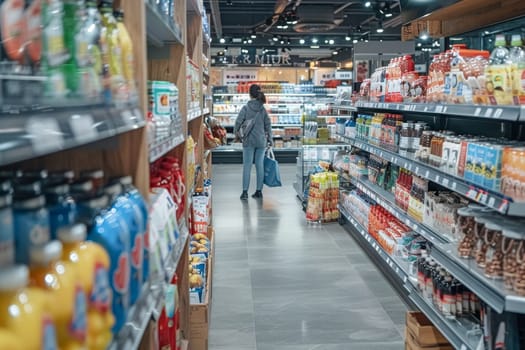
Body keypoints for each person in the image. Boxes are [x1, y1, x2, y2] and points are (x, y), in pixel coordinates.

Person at [234, 84, 273, 200]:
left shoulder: (246, 108)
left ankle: (245, 192)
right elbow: (268, 125)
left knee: (247, 166)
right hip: (261, 141)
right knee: (259, 165)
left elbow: (237, 123)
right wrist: (270, 139)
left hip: (248, 141)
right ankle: (259, 191)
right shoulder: (262, 109)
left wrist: (238, 134)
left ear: (250, 94)